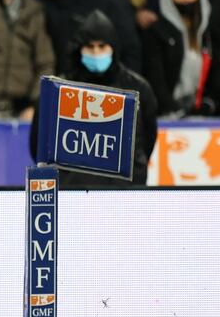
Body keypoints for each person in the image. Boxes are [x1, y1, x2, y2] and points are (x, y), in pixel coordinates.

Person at [29, 10, 158, 187]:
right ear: (79, 49)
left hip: (122, 192)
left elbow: (148, 140)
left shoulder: (138, 88)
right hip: (72, 191)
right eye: (90, 47)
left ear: (113, 48)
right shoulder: (56, 91)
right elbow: (39, 145)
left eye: (102, 46)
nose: (96, 53)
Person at [141, 0, 214, 117]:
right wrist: (174, 108)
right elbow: (155, 79)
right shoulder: (157, 31)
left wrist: (207, 103)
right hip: (166, 115)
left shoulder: (205, 33)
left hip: (198, 114)